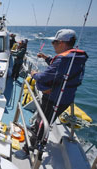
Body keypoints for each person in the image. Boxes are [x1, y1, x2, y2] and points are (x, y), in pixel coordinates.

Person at [15, 29, 88, 159]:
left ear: (62, 43)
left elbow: (43, 77)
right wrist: (47, 58)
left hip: (55, 99)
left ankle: (29, 148)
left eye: (54, 42)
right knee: (41, 121)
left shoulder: (63, 60)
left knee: (43, 123)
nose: (53, 45)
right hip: (65, 98)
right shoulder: (76, 58)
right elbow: (61, 71)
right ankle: (35, 130)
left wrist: (34, 74)